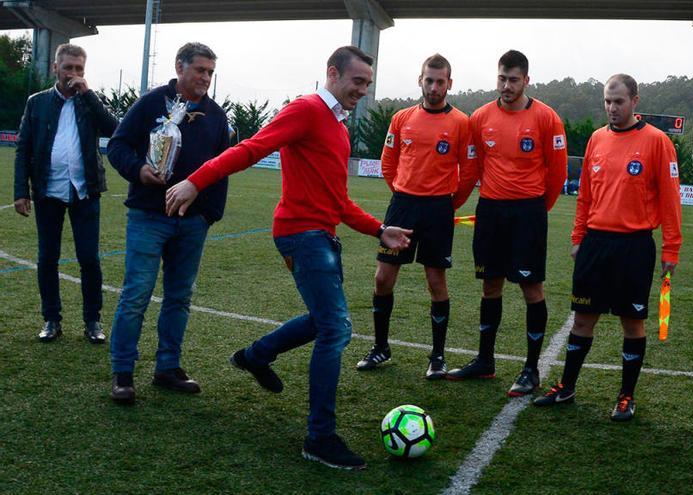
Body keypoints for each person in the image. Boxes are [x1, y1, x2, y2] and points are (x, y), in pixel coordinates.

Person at [165, 46, 412, 470]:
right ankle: (320, 437)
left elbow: (338, 201)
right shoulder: (307, 109)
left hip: (322, 234)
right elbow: (252, 148)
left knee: (323, 320)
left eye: (368, 84)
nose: (363, 91)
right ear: (332, 74)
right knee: (337, 329)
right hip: (302, 234)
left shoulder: (338, 127)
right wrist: (195, 181)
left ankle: (256, 355)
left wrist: (378, 230)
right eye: (357, 82)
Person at [533, 74, 682, 422]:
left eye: (619, 101)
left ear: (635, 101)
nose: (612, 108)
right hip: (596, 244)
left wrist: (671, 249)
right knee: (582, 319)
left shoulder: (658, 142)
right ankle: (566, 386)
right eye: (607, 102)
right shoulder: (597, 140)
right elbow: (585, 195)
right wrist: (577, 238)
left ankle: (626, 397)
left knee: (632, 324)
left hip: (634, 246)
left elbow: (671, 200)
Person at [106, 42, 230, 404]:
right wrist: (139, 170)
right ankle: (123, 372)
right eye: (200, 70)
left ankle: (167, 367)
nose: (205, 78)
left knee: (179, 297)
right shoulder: (150, 104)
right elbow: (117, 146)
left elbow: (223, 168)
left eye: (210, 72)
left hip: (192, 224)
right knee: (136, 294)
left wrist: (209, 215)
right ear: (180, 67)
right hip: (148, 216)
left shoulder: (216, 116)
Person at [446, 50, 567, 398]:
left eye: (514, 79)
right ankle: (485, 360)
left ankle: (531, 368)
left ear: (527, 80)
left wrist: (536, 210)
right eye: (502, 78)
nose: (507, 85)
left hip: (528, 213)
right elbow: (475, 166)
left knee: (531, 288)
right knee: (490, 285)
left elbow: (557, 174)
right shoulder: (480, 117)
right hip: (491, 211)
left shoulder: (547, 118)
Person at [355, 53, 476, 379]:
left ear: (449, 84)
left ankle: (437, 357)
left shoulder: (462, 123)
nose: (434, 86)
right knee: (383, 277)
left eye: (440, 81)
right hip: (403, 206)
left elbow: (469, 171)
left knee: (436, 281)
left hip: (439, 208)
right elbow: (388, 161)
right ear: (420, 80)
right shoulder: (401, 118)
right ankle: (381, 347)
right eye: (429, 80)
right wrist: (401, 192)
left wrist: (451, 203)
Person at [13, 43, 118, 344]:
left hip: (85, 190)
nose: (73, 74)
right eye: (68, 67)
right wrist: (22, 192)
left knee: (89, 258)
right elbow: (24, 149)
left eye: (79, 69)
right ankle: (51, 319)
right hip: (48, 190)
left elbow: (114, 128)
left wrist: (89, 94)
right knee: (48, 257)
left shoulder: (89, 101)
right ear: (55, 68)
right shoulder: (37, 102)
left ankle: (92, 321)